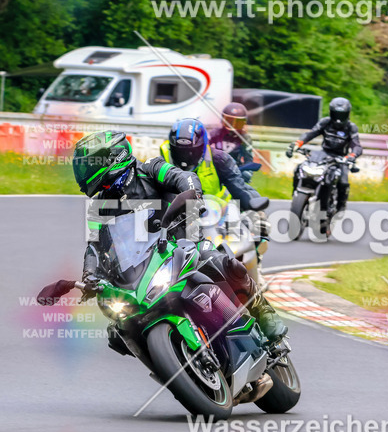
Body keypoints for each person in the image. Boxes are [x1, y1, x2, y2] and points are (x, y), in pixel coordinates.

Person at [36, 130, 286, 348]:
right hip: (142, 266)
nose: (83, 173)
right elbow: (93, 246)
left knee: (221, 261)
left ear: (112, 158)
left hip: (182, 242)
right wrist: (90, 276)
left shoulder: (151, 168)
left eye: (87, 165)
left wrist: (193, 195)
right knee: (118, 328)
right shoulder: (98, 206)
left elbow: (185, 179)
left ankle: (263, 312)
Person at [160, 117, 272, 260]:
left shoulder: (219, 159)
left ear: (202, 146)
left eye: (190, 151)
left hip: (219, 215)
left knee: (255, 222)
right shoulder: (161, 162)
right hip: (177, 218)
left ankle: (252, 267)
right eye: (179, 151)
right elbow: (146, 188)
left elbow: (239, 186)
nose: (185, 157)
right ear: (171, 147)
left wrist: (252, 202)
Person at [286, 97, 362, 210]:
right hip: (323, 154)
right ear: (331, 113)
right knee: (300, 168)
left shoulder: (351, 127)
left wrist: (351, 156)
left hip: (341, 158)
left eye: (341, 115)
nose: (338, 119)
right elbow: (310, 134)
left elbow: (356, 145)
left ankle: (340, 207)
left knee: (343, 182)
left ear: (347, 114)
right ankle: (296, 194)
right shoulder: (325, 122)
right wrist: (298, 143)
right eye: (336, 114)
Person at [209, 102, 255, 179]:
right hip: (215, 170)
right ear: (223, 119)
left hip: (234, 172)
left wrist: (247, 171)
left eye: (237, 122)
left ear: (243, 122)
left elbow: (248, 159)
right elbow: (203, 151)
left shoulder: (245, 138)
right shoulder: (214, 133)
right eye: (229, 121)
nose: (233, 125)